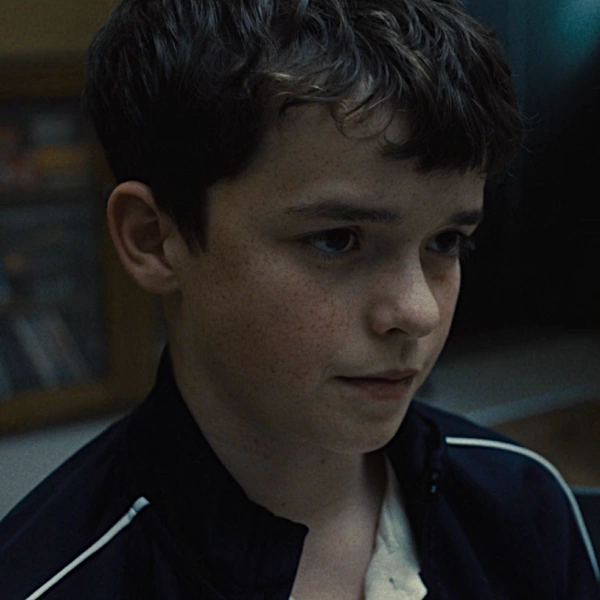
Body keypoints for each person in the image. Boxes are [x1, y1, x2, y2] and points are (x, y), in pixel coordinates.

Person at [1, 0, 598, 598]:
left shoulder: (526, 505)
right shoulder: (47, 582)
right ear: (155, 239)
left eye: (446, 241)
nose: (419, 312)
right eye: (338, 239)